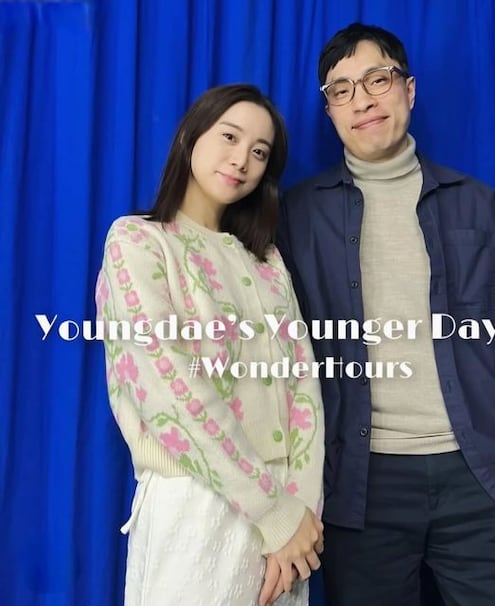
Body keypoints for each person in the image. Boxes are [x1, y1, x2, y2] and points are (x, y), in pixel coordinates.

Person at [277, 23, 495, 606]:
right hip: (359, 485)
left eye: (377, 80)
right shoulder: (296, 216)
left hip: (483, 474)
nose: (362, 101)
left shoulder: (478, 202)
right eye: (342, 90)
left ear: (409, 89)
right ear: (329, 112)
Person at [95, 84, 324, 606]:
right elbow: (167, 388)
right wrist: (273, 513)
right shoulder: (138, 241)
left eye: (260, 152)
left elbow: (303, 389)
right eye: (230, 137)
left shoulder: (267, 263)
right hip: (196, 504)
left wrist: (300, 520)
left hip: (286, 528)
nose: (242, 160)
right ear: (190, 136)